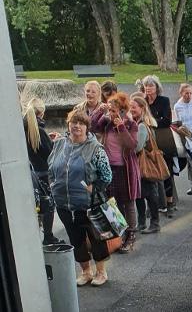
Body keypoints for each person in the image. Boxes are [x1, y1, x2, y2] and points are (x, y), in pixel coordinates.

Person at [49, 110, 113, 287]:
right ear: (68, 124)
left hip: (88, 203)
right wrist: (53, 185)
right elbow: (51, 168)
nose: (76, 126)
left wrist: (94, 188)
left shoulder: (95, 148)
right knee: (75, 238)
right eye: (73, 122)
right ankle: (86, 272)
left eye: (81, 123)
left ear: (87, 127)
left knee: (96, 238)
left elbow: (107, 176)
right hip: (64, 203)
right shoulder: (59, 144)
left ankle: (101, 272)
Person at [90, 92, 140, 253]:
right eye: (110, 110)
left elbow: (132, 145)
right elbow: (92, 127)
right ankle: (120, 234)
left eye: (114, 111)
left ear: (122, 110)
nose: (111, 114)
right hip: (109, 168)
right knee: (113, 203)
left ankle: (131, 234)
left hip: (125, 169)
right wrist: (99, 111)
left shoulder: (130, 124)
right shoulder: (106, 123)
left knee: (128, 201)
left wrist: (121, 126)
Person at [23, 98, 62, 246]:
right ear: (41, 113)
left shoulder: (25, 127)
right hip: (44, 172)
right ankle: (48, 236)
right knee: (49, 204)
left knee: (37, 205)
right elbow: (49, 153)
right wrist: (56, 142)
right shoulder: (39, 131)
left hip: (33, 171)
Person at [142, 75, 175, 216]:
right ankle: (154, 205)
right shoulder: (142, 101)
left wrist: (151, 121)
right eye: (146, 86)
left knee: (166, 171)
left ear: (157, 87)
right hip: (148, 141)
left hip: (162, 139)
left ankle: (169, 203)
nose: (148, 88)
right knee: (150, 174)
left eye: (151, 86)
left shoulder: (164, 100)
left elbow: (167, 121)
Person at [130, 95, 161, 235]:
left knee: (149, 194)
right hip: (141, 165)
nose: (131, 109)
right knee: (140, 195)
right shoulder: (139, 123)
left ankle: (154, 223)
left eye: (134, 107)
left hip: (144, 165)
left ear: (142, 108)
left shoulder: (142, 125)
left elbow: (137, 148)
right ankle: (142, 223)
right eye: (130, 107)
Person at [174, 83, 192, 195]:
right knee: (191, 161)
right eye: (186, 93)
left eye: (190, 93)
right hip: (187, 137)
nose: (189, 95)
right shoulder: (177, 106)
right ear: (181, 93)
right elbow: (178, 122)